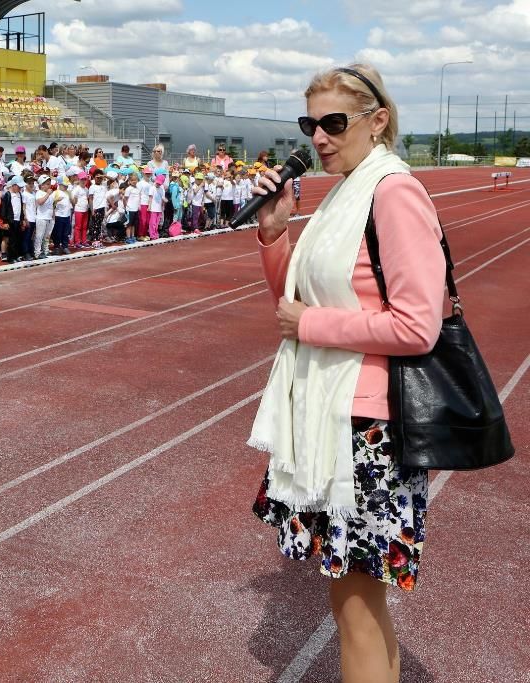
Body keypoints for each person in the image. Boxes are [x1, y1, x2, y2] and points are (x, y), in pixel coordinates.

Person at [250, 63, 443, 683]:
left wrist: (312, 326)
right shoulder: (345, 190)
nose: (319, 137)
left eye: (334, 122)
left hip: (368, 430)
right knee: (358, 605)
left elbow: (418, 325)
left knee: (356, 608)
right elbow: (299, 299)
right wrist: (275, 236)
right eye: (311, 124)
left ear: (377, 120)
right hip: (336, 413)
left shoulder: (392, 191)